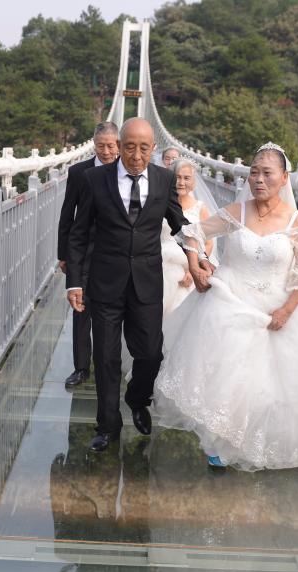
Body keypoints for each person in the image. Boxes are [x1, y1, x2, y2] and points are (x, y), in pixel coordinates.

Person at [153, 141, 298, 470]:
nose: (258, 179)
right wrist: (196, 264)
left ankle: (255, 443)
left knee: (266, 388)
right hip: (228, 303)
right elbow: (193, 233)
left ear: (284, 178)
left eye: (267, 173)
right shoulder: (236, 212)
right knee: (227, 378)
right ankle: (220, 445)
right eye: (253, 172)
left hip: (275, 312)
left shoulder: (297, 221)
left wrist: (286, 310)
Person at [66, 117, 188, 453]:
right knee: (105, 358)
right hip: (104, 283)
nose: (136, 155)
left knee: (150, 354)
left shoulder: (165, 179)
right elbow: (77, 235)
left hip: (147, 283)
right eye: (129, 147)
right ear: (119, 146)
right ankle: (107, 426)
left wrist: (200, 257)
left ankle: (137, 398)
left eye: (144, 148)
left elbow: (180, 224)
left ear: (153, 149)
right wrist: (74, 282)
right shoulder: (94, 179)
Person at [57, 122, 119, 387]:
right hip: (82, 251)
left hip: (114, 252)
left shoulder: (128, 171)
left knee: (112, 312)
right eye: (101, 146)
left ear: (118, 145)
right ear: (93, 145)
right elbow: (67, 213)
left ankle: (110, 366)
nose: (106, 151)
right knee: (81, 310)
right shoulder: (78, 172)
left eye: (111, 146)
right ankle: (81, 368)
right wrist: (63, 254)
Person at [160, 158, 214, 316]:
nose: (181, 182)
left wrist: (193, 271)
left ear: (193, 181)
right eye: (177, 177)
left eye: (186, 178)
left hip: (188, 270)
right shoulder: (160, 204)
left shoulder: (200, 207)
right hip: (161, 268)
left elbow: (209, 243)